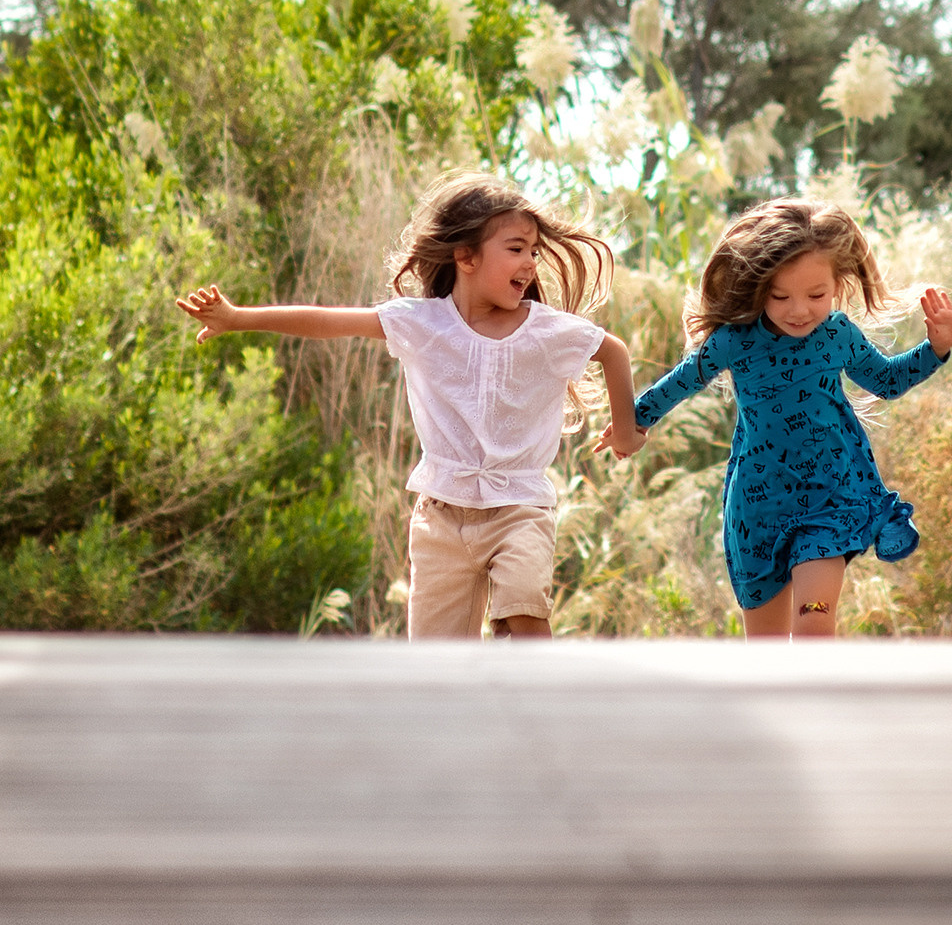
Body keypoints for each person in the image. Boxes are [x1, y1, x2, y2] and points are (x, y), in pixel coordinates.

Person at [176, 172, 645, 640]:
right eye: (516, 248)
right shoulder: (422, 324)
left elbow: (613, 351)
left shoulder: (545, 329)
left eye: (534, 251)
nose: (529, 263)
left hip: (520, 506)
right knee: (437, 661)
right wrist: (238, 318)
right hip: (441, 516)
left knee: (524, 615)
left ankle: (533, 708)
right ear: (466, 255)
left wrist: (625, 431)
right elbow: (327, 321)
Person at [623, 199, 952, 639]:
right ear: (759, 288)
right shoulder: (734, 342)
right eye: (780, 296)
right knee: (767, 654)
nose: (799, 310)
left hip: (829, 503)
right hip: (757, 509)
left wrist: (936, 349)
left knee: (814, 621)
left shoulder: (837, 335)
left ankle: (821, 709)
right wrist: (634, 423)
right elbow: (678, 384)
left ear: (837, 285)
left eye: (816, 295)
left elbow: (887, 380)